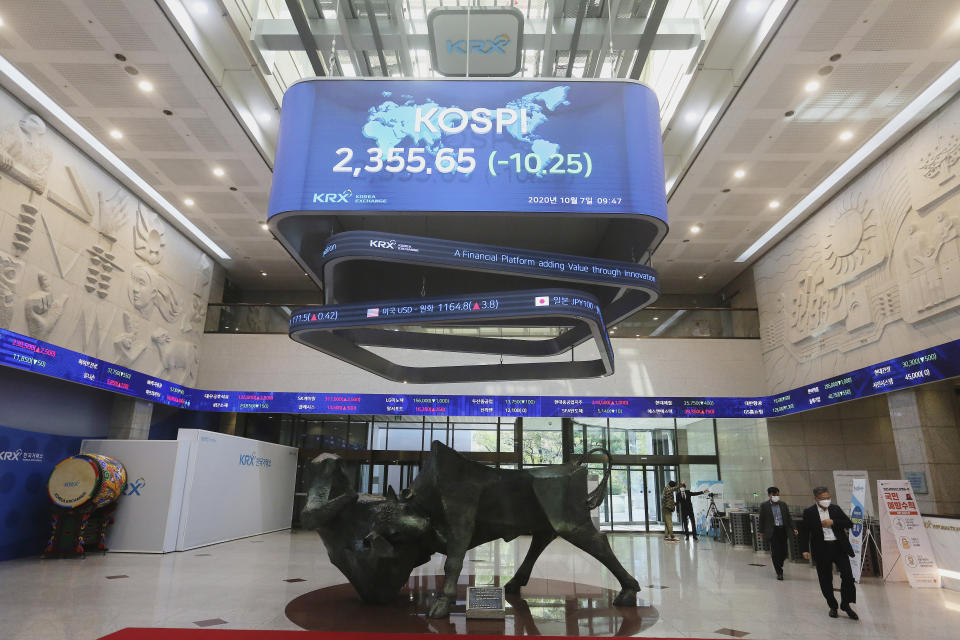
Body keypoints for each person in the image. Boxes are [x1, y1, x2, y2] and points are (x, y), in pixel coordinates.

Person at [799, 487, 858, 620]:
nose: (826, 500)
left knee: (848, 576)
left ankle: (846, 604)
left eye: (828, 498)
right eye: (823, 498)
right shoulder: (809, 512)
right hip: (822, 549)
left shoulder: (835, 509)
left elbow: (849, 523)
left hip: (839, 547)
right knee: (825, 579)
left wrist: (833, 522)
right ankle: (833, 606)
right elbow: (804, 531)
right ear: (816, 499)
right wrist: (804, 549)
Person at [757, 486, 797, 580]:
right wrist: (761, 531)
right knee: (775, 551)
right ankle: (779, 572)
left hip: (783, 529)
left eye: (778, 495)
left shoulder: (783, 504)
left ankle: (780, 561)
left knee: (783, 551)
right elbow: (762, 519)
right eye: (774, 495)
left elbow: (788, 517)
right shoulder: (764, 505)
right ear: (769, 495)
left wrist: (793, 527)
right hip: (772, 530)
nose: (776, 496)